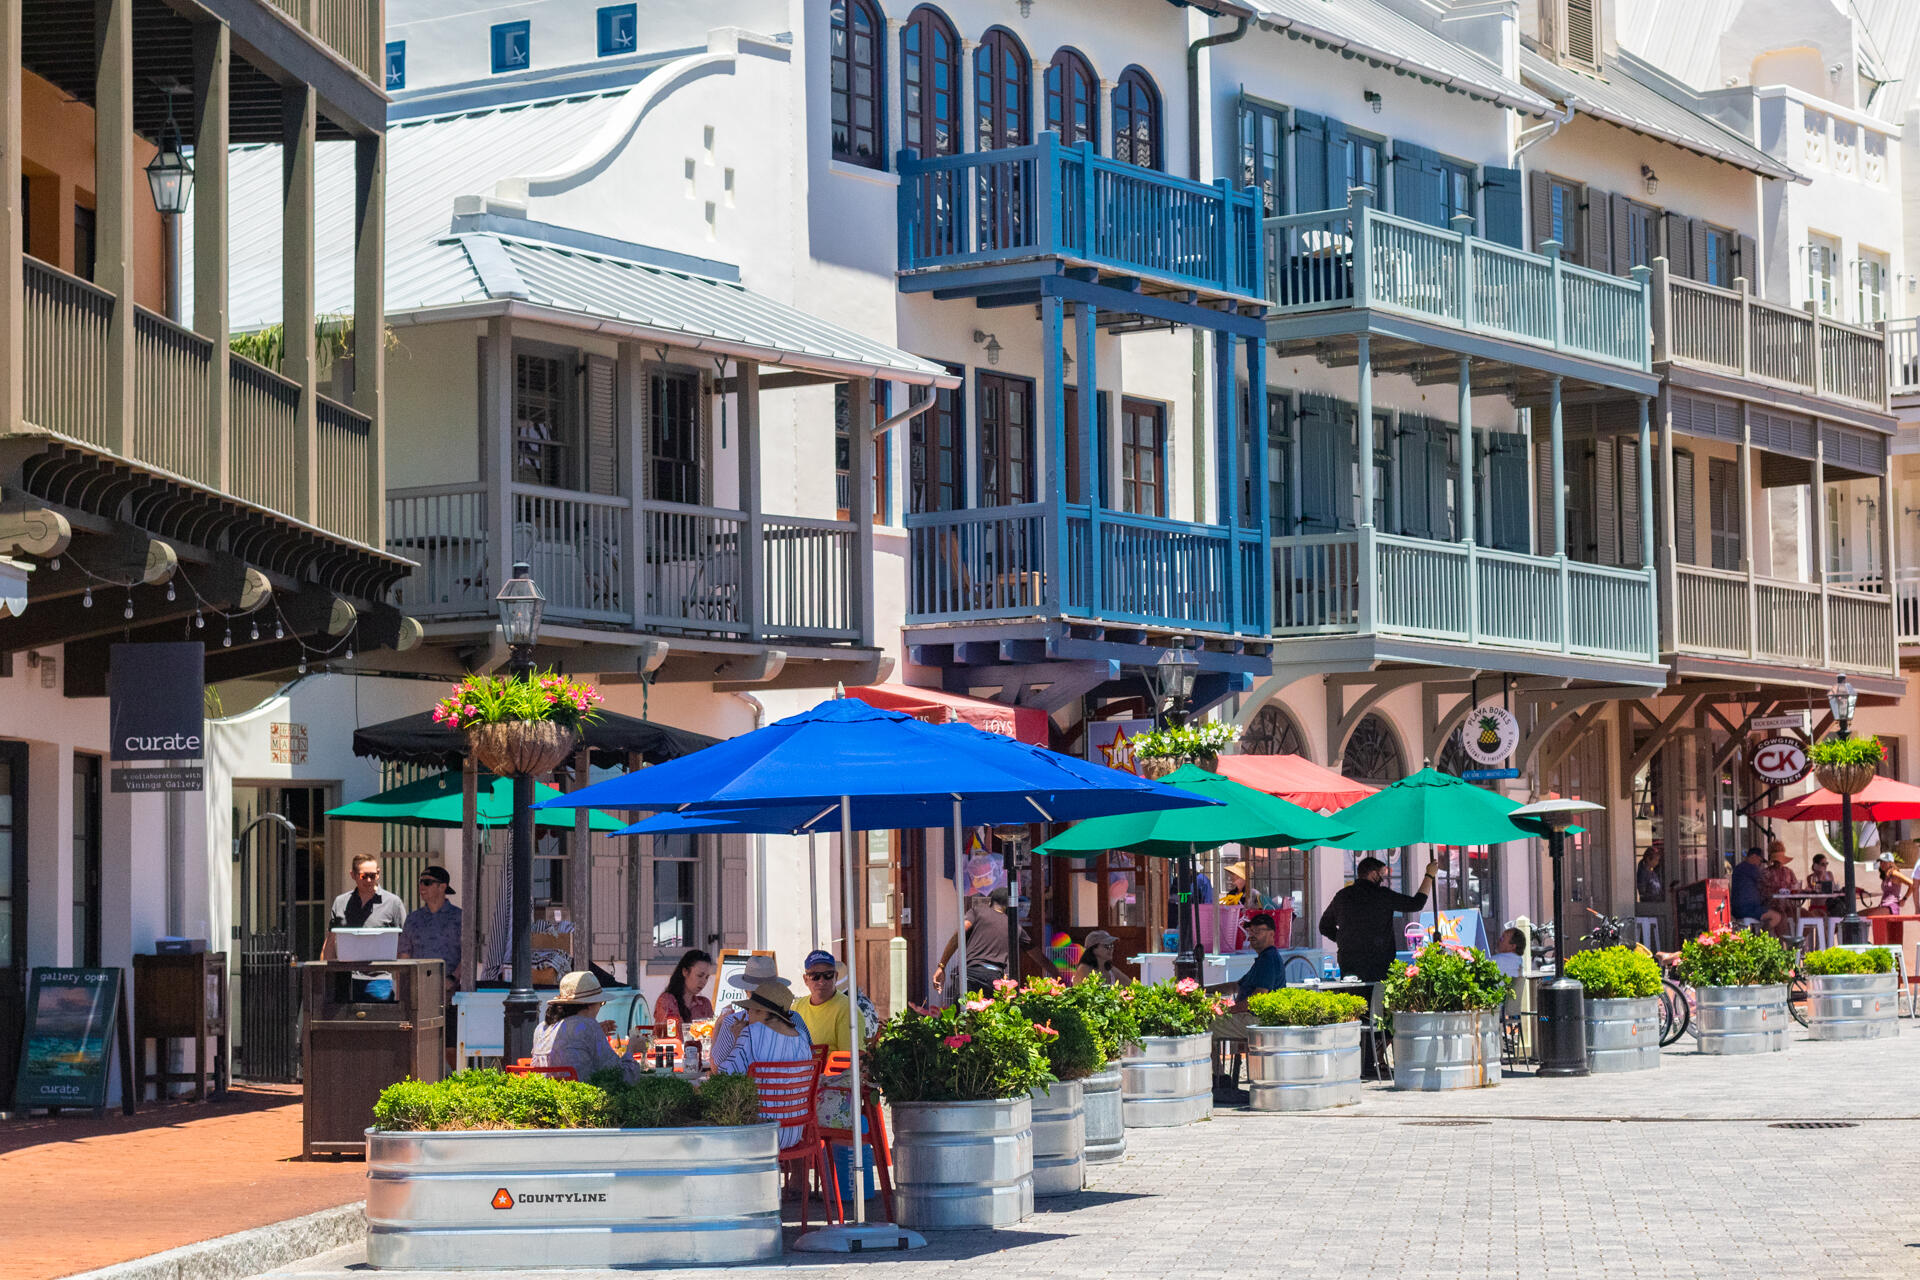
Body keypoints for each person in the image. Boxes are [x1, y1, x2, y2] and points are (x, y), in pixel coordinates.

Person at [718, 981, 815, 1148]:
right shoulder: (801, 1037)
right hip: (794, 1132)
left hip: (760, 1134)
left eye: (749, 1010)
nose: (747, 1015)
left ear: (761, 1011)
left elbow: (724, 1075)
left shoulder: (750, 1033)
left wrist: (734, 1037)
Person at [1318, 855, 1437, 982]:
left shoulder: (1342, 896)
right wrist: (1429, 875)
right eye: (1382, 875)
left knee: (1353, 999)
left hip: (1349, 961)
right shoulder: (1382, 895)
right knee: (1377, 1000)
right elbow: (1416, 903)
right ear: (1373, 874)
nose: (1383, 879)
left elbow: (1324, 926)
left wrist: (1345, 940)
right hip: (1378, 963)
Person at [1210, 911, 1287, 1103]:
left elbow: (1258, 998)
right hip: (1250, 1017)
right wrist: (1205, 989)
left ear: (1272, 934)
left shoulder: (1269, 959)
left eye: (1259, 931)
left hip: (1257, 1019)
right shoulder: (1262, 959)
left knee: (1203, 1024)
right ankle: (1219, 1077)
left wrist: (1227, 1010)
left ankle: (1217, 1077)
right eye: (1251, 932)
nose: (1253, 936)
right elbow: (1237, 985)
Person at [532, 970, 646, 1083]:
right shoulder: (589, 1026)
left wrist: (594, 1034)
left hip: (547, 1096)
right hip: (581, 1098)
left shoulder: (541, 1028)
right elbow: (619, 1076)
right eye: (601, 1003)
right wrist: (631, 1050)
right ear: (589, 1005)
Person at [399, 865, 462, 1064]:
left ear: (442, 886)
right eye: (420, 882)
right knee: (420, 1046)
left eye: (427, 882)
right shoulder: (413, 919)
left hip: (451, 995)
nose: (422, 887)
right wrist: (405, 989)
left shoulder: (459, 918)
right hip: (421, 995)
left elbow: (469, 955)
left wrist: (452, 979)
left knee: (451, 1048)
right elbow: (404, 955)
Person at [934, 886, 1016, 996]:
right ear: (1009, 906)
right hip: (993, 979)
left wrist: (942, 965)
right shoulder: (1013, 926)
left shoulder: (978, 911)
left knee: (963, 1012)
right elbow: (1033, 950)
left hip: (969, 975)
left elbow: (961, 931)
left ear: (991, 901)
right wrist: (1047, 967)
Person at [321, 854, 407, 958]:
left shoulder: (393, 903)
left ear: (378, 874)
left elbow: (404, 944)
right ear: (353, 875)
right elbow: (330, 941)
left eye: (373, 875)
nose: (369, 880)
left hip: (380, 972)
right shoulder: (340, 902)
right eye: (364, 876)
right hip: (346, 972)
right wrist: (326, 970)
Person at [711, 954, 788, 1068]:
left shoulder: (732, 1022)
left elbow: (715, 1068)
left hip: (750, 1085)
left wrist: (718, 1025)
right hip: (792, 1085)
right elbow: (811, 1058)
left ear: (746, 990)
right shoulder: (795, 1020)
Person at [795, 949, 853, 1052]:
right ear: (805, 979)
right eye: (815, 976)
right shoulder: (796, 1008)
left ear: (836, 976)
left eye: (828, 974)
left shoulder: (848, 1010)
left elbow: (851, 1058)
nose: (821, 981)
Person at [652, 948, 715, 1030]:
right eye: (699, 975)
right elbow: (669, 1034)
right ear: (685, 972)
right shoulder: (667, 1001)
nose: (703, 982)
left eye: (707, 977)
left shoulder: (704, 1004)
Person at [1760, 843, 1798, 936]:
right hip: (1772, 904)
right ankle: (1783, 944)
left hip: (1789, 904)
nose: (1779, 863)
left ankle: (1798, 943)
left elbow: (1796, 887)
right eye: (1776, 861)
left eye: (1780, 860)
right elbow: (1762, 892)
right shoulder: (1766, 873)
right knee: (1782, 916)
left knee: (1803, 916)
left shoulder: (1788, 872)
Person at [1729, 847, 1767, 926]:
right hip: (1748, 909)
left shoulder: (1738, 868)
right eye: (1760, 861)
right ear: (1753, 856)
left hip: (1737, 909)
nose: (1760, 864)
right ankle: (1765, 936)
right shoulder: (1750, 868)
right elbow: (1765, 882)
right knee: (1776, 916)